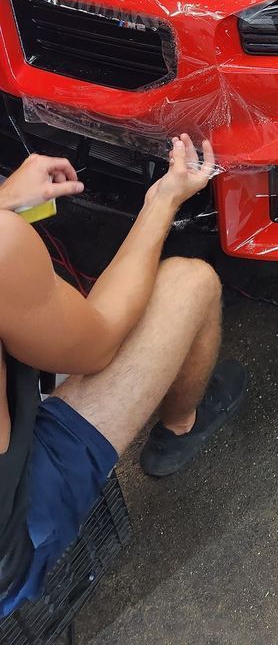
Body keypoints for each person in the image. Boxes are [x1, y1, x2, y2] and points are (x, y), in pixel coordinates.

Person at [0, 135, 247, 617]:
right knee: (189, 283)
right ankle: (181, 427)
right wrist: (164, 197)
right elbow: (100, 341)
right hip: (15, 540)